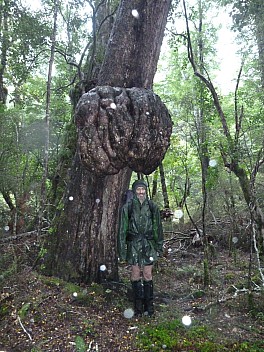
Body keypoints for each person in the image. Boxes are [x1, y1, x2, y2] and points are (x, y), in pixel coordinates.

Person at [118, 179, 164, 317]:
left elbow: (158, 228)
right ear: (134, 191)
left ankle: (149, 308)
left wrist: (159, 246)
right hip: (133, 246)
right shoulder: (128, 207)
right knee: (135, 274)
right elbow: (122, 230)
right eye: (138, 189)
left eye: (143, 189)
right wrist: (122, 250)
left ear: (146, 191)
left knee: (148, 274)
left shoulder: (152, 206)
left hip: (148, 245)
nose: (141, 192)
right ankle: (137, 307)